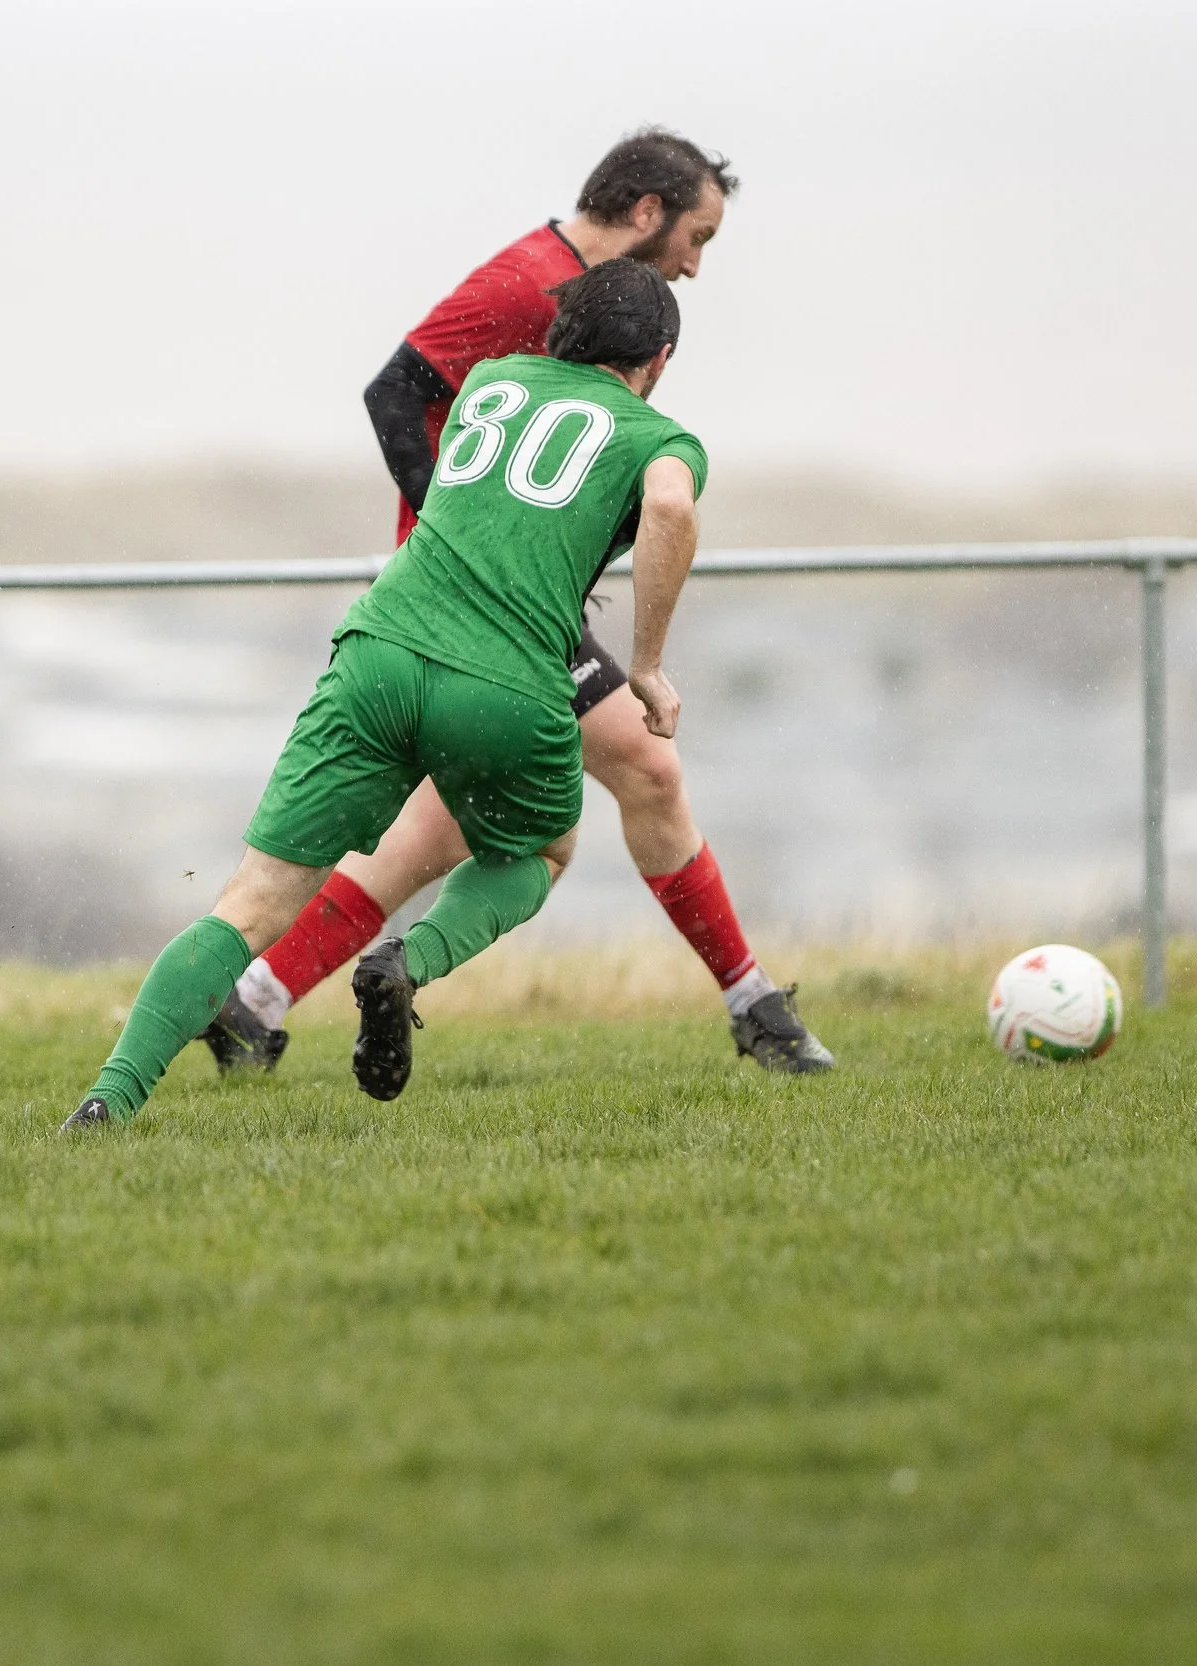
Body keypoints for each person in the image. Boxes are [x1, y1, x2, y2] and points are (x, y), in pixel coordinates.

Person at [205, 128, 832, 1078]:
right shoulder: (522, 283)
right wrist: (457, 533)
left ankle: (254, 999)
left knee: (455, 826)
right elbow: (394, 392)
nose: (696, 267)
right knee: (609, 789)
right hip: (478, 609)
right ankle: (754, 1008)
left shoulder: (591, 305)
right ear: (650, 213)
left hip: (501, 610)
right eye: (696, 237)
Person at [67, 260, 716, 1129]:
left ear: (561, 331)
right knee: (542, 852)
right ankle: (404, 965)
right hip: (508, 685)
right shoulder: (660, 436)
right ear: (660, 359)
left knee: (254, 901)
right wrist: (646, 664)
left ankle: (108, 1102)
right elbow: (670, 510)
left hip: (378, 652)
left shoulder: (491, 379)